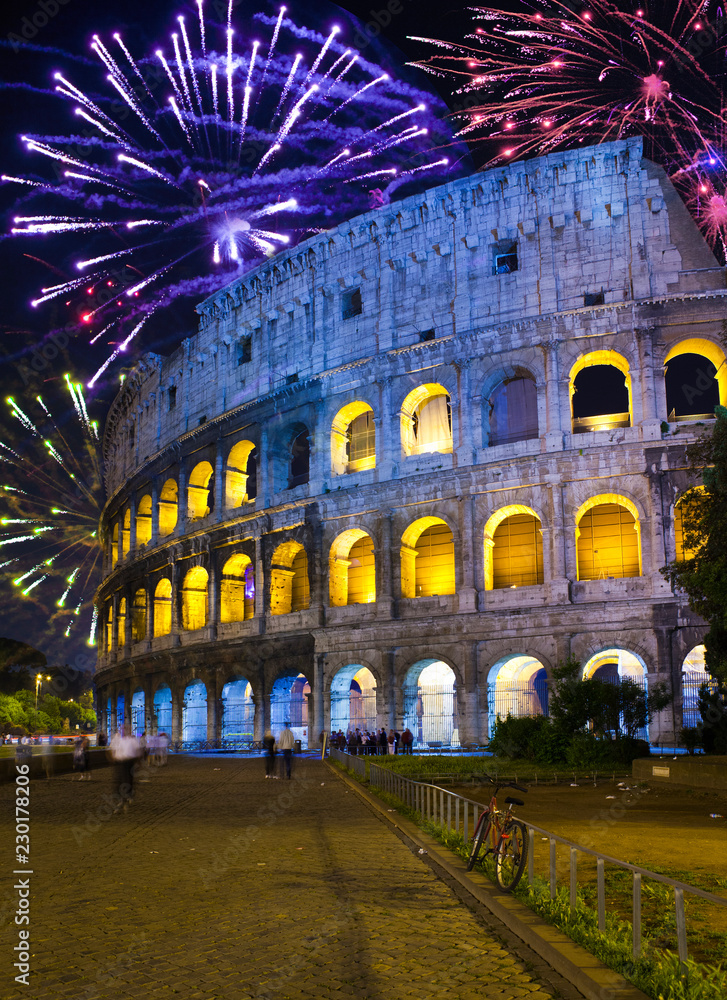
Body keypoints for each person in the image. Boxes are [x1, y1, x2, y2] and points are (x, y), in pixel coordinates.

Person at [109, 725, 142, 811]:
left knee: (128, 780)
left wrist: (138, 762)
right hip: (120, 762)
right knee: (119, 780)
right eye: (123, 729)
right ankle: (121, 798)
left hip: (129, 762)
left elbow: (138, 751)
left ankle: (127, 796)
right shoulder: (117, 739)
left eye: (126, 729)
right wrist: (113, 758)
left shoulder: (133, 740)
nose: (124, 731)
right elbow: (112, 750)